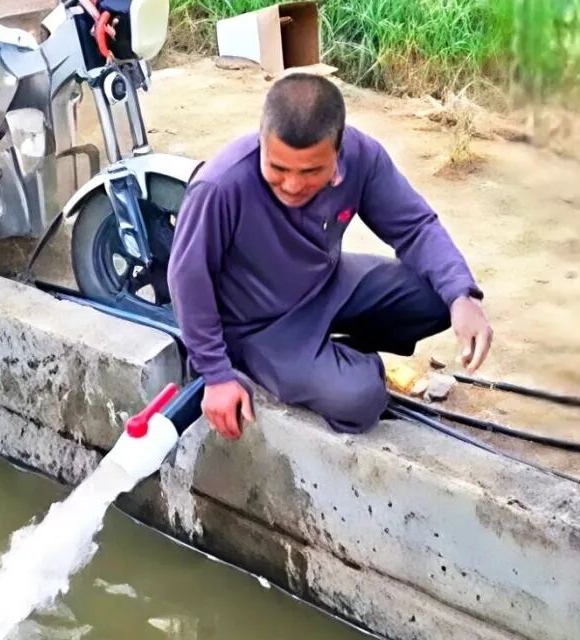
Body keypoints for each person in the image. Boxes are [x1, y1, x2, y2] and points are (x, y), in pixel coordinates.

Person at [167, 73, 493, 440]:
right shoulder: (220, 185)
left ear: (338, 151)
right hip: (260, 326)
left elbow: (415, 227)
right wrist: (215, 373)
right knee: (362, 399)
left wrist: (461, 295)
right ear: (262, 142)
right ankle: (327, 364)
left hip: (328, 282)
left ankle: (327, 355)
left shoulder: (363, 157)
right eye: (278, 168)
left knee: (440, 295)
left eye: (311, 171)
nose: (292, 185)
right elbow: (187, 278)